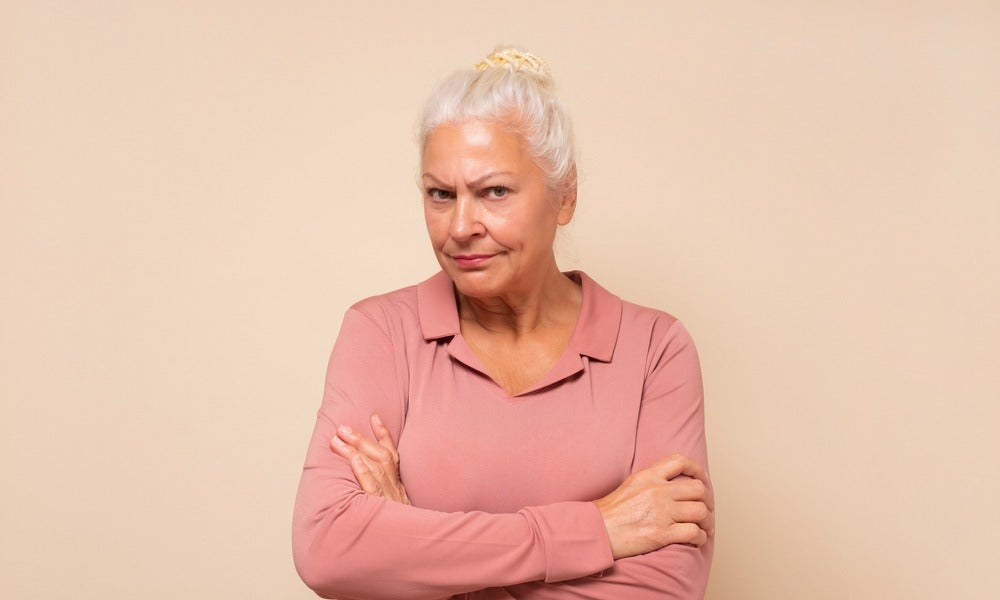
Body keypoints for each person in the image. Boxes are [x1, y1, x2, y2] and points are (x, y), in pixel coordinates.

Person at [292, 47, 715, 599]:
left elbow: (664, 588)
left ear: (565, 198)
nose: (461, 225)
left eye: (494, 192)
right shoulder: (381, 332)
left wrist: (419, 553)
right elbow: (327, 547)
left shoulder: (657, 349)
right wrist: (595, 530)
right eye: (440, 195)